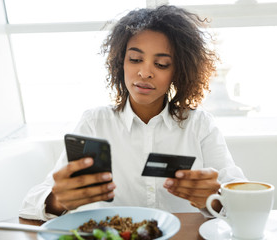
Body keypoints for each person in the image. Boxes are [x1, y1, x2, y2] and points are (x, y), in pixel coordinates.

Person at [19, 5, 246, 221]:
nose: (145, 72)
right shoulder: (94, 124)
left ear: (178, 72)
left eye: (162, 64)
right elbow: (30, 206)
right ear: (121, 63)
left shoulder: (199, 125)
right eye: (135, 59)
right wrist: (58, 201)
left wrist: (214, 200)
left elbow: (244, 199)